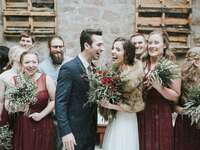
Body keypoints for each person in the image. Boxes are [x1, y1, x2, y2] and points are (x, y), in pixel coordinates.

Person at [55, 29, 104, 150]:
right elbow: (60, 103)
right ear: (87, 45)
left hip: (90, 132)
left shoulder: (94, 68)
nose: (102, 49)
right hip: (73, 133)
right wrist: (66, 132)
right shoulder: (69, 68)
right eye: (99, 45)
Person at [137, 30, 181, 150]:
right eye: (150, 43)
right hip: (142, 112)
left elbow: (176, 95)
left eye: (156, 42)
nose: (152, 46)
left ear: (165, 45)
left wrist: (159, 87)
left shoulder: (172, 67)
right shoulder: (141, 64)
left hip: (161, 112)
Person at [100, 37, 144, 150]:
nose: (113, 51)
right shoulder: (114, 69)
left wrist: (110, 105)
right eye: (113, 48)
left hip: (127, 119)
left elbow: (133, 106)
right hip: (115, 118)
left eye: (118, 49)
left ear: (127, 53)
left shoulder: (134, 75)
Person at [11, 51, 55, 150]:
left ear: (38, 63)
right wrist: (19, 107)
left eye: (34, 62)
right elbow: (8, 104)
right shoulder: (15, 80)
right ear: (21, 64)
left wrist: (41, 115)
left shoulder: (46, 78)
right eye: (27, 62)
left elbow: (54, 100)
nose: (31, 65)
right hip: (23, 124)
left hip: (43, 123)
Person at [174, 47, 200, 150]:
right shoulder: (181, 79)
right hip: (185, 124)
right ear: (197, 62)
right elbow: (174, 106)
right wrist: (187, 111)